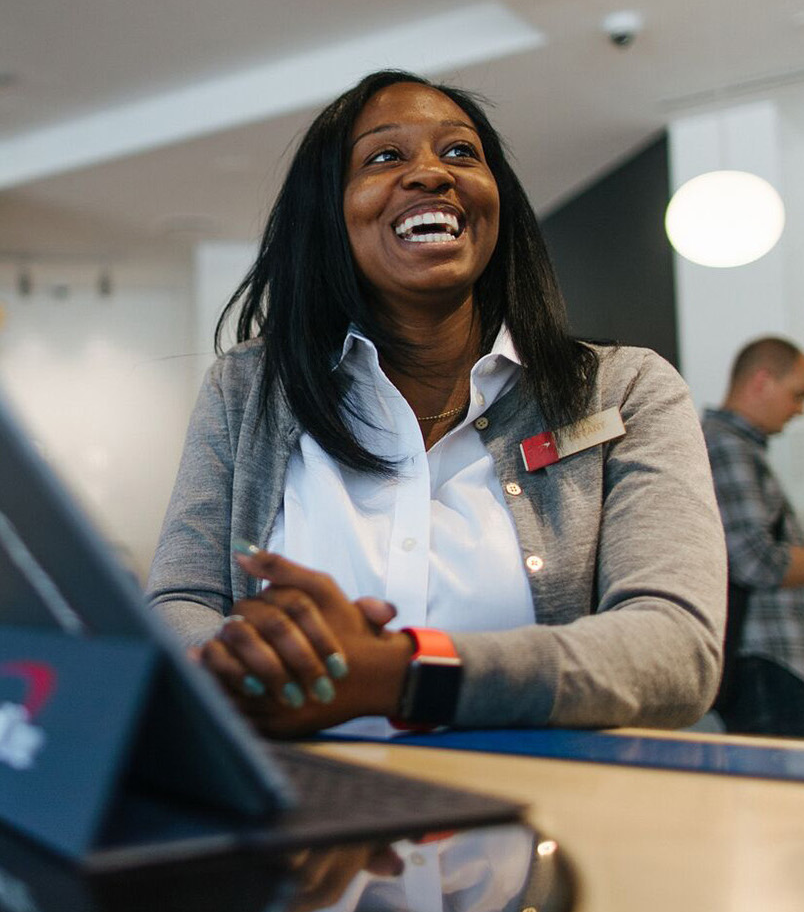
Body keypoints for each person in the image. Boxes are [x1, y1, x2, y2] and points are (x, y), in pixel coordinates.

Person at [146, 68, 725, 736]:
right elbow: (180, 602)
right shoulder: (245, 390)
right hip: (299, 812)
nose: (432, 174)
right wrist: (237, 661)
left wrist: (404, 671)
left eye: (459, 152)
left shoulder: (625, 390)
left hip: (547, 820)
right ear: (329, 211)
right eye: (385, 156)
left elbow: (677, 649)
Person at [704, 336, 804, 736]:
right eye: (796, 395)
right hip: (763, 661)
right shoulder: (727, 447)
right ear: (761, 381)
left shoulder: (734, 446)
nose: (798, 410)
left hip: (765, 661)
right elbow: (754, 558)